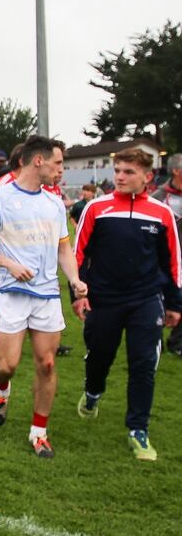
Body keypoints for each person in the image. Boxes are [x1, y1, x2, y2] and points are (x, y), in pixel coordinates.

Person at [0, 135, 87, 458]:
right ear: (39, 161)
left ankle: (39, 432)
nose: (61, 169)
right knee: (7, 365)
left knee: (47, 364)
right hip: (11, 293)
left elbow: (64, 247)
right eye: (58, 162)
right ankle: (1, 390)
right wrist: (9, 264)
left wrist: (75, 280)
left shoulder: (54, 204)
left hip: (47, 295)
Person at [73, 149, 181, 461]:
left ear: (147, 177)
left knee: (144, 363)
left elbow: (172, 262)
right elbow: (78, 256)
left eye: (128, 172)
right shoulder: (96, 208)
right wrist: (79, 296)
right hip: (104, 300)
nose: (120, 176)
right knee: (99, 357)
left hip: (146, 300)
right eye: (118, 170)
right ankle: (93, 393)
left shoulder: (161, 214)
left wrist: (175, 304)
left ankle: (138, 429)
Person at [151, 153, 182, 357]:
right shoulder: (159, 198)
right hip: (164, 258)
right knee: (158, 299)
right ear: (176, 171)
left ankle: (177, 342)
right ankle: (154, 338)